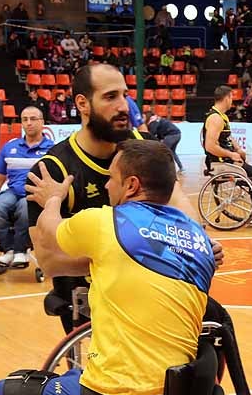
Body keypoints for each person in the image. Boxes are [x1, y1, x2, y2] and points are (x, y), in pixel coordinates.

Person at [0, 139, 216, 395]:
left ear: (132, 186)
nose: (107, 186)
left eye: (112, 178)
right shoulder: (196, 236)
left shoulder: (107, 222)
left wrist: (52, 200)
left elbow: (48, 235)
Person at [26, 63, 156, 332]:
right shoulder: (53, 170)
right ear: (83, 104)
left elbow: (180, 208)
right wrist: (139, 256)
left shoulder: (144, 148)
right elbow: (49, 261)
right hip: (88, 305)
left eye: (125, 94)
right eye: (110, 97)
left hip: (148, 293)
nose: (124, 106)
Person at [0, 106, 53, 267]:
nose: (28, 123)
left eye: (33, 119)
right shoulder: (10, 148)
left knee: (25, 209)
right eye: (25, 120)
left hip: (36, 194)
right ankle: (9, 250)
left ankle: (20, 251)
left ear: (42, 122)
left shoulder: (52, 149)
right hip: (13, 192)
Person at [203, 85, 252, 223]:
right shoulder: (215, 119)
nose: (232, 101)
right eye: (231, 97)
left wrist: (238, 149)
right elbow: (210, 146)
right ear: (226, 98)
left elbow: (228, 137)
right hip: (220, 163)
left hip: (227, 160)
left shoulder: (222, 116)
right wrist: (231, 155)